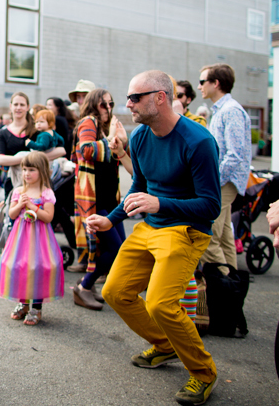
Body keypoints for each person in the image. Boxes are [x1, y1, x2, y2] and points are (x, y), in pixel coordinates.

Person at [87, 70, 221, 406]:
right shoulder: (141, 136)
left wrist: (160, 203)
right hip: (151, 226)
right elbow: (139, 187)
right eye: (128, 97)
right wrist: (110, 219)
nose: (127, 104)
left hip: (187, 230)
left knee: (161, 303)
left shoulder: (199, 141)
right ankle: (164, 346)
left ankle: (204, 373)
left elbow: (211, 206)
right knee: (115, 292)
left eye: (135, 97)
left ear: (160, 97)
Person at [69, 89, 128, 312]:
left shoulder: (102, 127)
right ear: (94, 104)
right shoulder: (88, 121)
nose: (109, 109)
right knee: (114, 249)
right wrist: (113, 140)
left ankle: (86, 285)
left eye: (111, 104)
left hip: (110, 200)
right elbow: (85, 150)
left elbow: (116, 156)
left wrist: (120, 141)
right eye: (105, 105)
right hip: (95, 200)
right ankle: (83, 286)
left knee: (116, 250)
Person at [198, 63, 252, 275]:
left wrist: (214, 179)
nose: (200, 86)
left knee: (207, 237)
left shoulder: (231, 111)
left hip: (224, 181)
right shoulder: (221, 110)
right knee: (226, 238)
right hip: (224, 180)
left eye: (203, 81)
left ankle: (225, 290)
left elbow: (235, 154)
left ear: (216, 83)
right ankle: (232, 293)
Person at [0, 152, 64, 325]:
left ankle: (36, 307)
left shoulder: (47, 192)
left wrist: (31, 206)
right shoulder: (19, 191)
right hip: (21, 237)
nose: (26, 173)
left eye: (31, 170)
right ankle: (23, 303)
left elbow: (48, 217)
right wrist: (20, 204)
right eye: (24, 169)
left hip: (40, 238)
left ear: (42, 171)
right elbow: (12, 214)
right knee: (21, 265)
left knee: (39, 267)